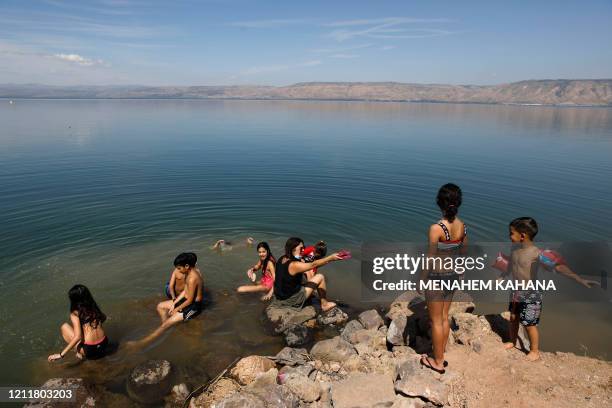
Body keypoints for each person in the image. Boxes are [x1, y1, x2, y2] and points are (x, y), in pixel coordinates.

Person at [498, 217, 598, 361]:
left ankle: (534, 350)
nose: (509, 236)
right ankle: (512, 342)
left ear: (522, 235)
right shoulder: (514, 250)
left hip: (531, 294)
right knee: (513, 318)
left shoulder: (537, 254)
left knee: (529, 323)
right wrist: (501, 277)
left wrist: (579, 279)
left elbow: (559, 267)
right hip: (515, 291)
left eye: (511, 233)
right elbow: (510, 266)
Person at [420, 183, 468, 374]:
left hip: (436, 277)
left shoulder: (437, 229)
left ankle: (437, 362)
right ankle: (442, 353)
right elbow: (464, 251)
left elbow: (431, 257)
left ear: (439, 203)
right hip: (452, 275)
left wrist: (421, 279)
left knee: (435, 321)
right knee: (444, 317)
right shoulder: (462, 226)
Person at [128, 252, 204, 347]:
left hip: (194, 306)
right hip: (186, 300)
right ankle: (166, 324)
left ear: (187, 266)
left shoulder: (193, 278)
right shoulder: (188, 273)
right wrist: (175, 302)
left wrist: (176, 309)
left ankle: (141, 343)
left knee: (166, 325)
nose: (178, 270)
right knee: (160, 306)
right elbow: (185, 291)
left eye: (179, 268)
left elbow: (190, 300)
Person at [273, 237, 343, 312]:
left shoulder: (282, 258)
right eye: (301, 248)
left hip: (279, 296)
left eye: (304, 247)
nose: (303, 250)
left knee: (307, 273)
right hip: (291, 300)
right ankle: (325, 304)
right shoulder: (294, 265)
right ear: (293, 248)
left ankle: (311, 293)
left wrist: (325, 260)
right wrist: (330, 258)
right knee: (320, 277)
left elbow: (311, 265)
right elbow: (313, 265)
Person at [48, 285, 109, 362]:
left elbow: (78, 337)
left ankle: (79, 353)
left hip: (90, 350)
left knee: (64, 327)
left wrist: (61, 355)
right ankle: (83, 349)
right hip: (104, 344)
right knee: (83, 330)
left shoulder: (75, 314)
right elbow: (104, 318)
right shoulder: (93, 307)